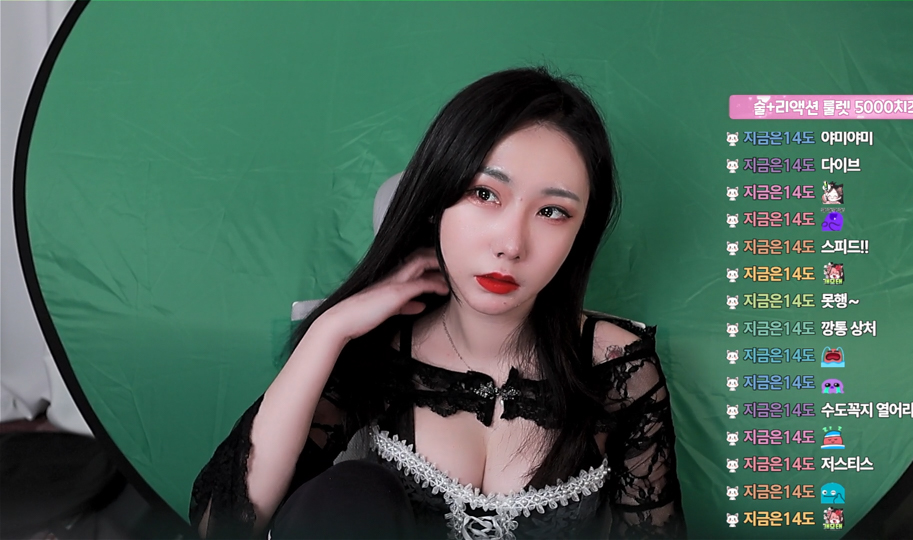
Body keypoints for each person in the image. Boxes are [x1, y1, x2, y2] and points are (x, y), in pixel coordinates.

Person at [189, 67, 684, 540]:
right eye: (484, 193)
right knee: (349, 496)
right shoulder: (380, 351)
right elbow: (222, 527)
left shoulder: (618, 368)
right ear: (435, 200)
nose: (511, 244)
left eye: (552, 211)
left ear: (581, 233)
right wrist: (330, 329)